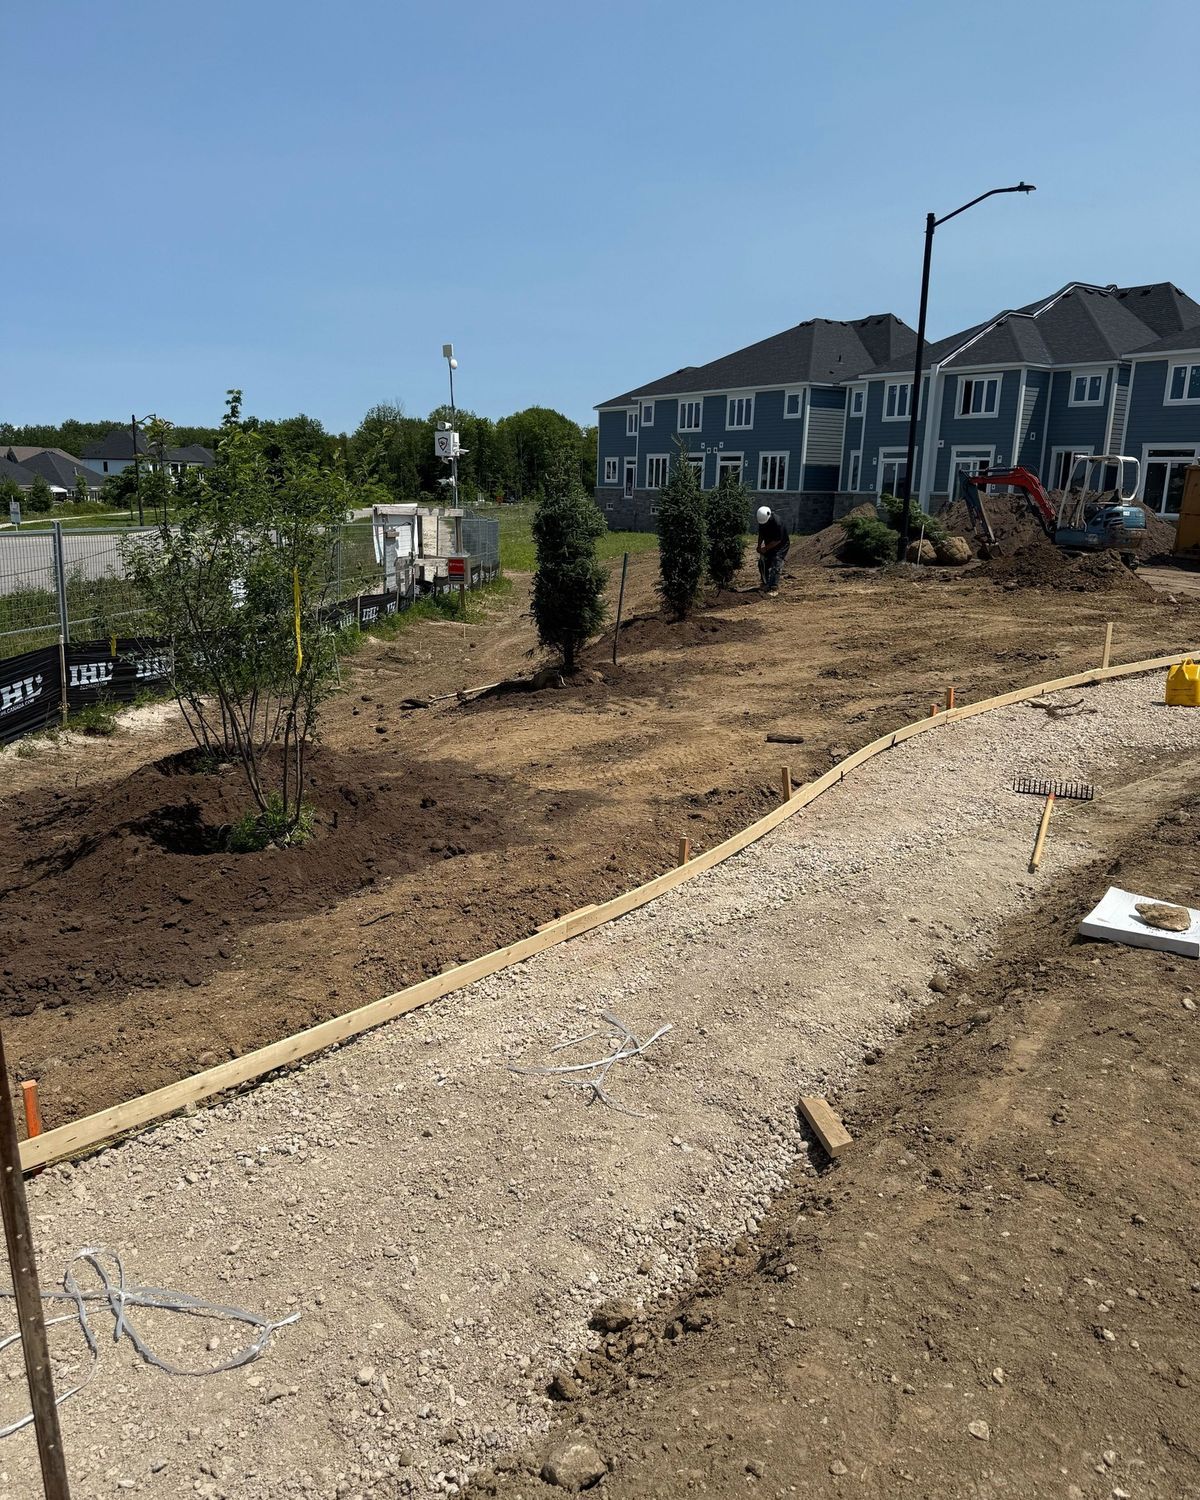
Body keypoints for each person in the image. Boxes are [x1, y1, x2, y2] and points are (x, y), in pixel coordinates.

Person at [756, 505, 789, 595]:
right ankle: (765, 583)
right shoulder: (762, 520)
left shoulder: (778, 523)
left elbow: (777, 540)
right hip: (769, 543)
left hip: (781, 546)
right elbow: (761, 534)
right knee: (763, 563)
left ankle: (773, 587)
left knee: (776, 563)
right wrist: (759, 546)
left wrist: (765, 548)